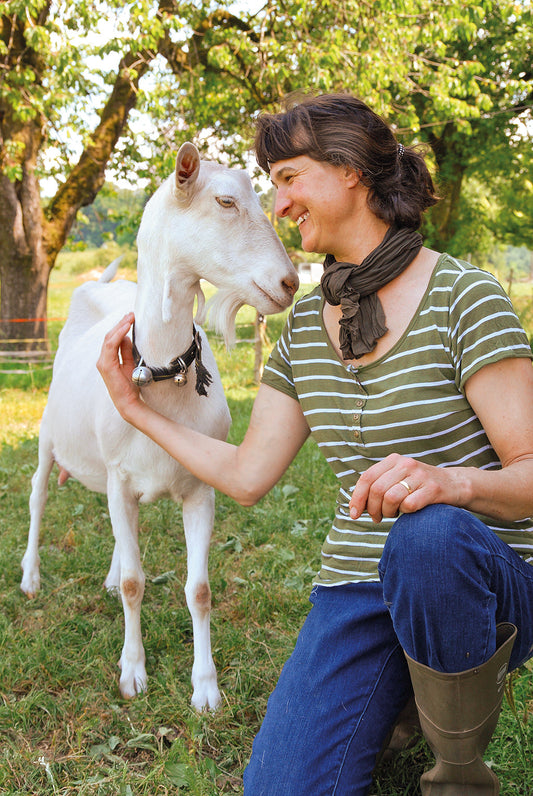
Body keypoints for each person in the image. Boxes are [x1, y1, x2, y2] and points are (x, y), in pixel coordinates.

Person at [97, 93, 533, 796]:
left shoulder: (463, 294)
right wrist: (133, 408)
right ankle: (396, 699)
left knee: (427, 538)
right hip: (357, 589)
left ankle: (458, 772)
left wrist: (451, 483)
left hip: (479, 576)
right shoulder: (304, 334)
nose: (279, 203)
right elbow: (245, 476)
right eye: (273, 184)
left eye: (289, 177)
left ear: (350, 170)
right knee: (281, 787)